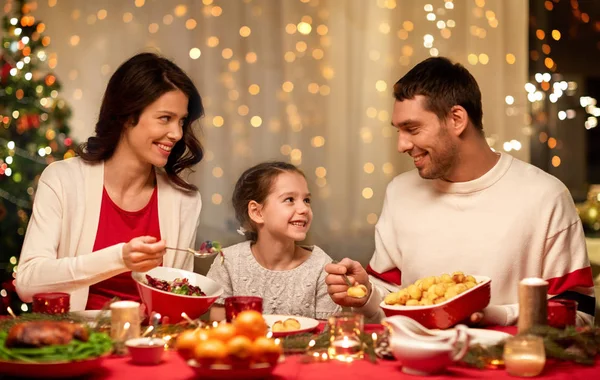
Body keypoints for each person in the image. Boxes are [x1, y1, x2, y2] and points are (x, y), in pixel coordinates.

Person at [325, 57, 595, 326]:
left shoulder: (545, 196)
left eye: (412, 129)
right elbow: (392, 300)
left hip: (508, 363)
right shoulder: (399, 193)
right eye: (399, 130)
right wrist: (367, 294)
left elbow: (578, 311)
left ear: (456, 119)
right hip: (417, 364)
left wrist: (495, 315)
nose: (402, 145)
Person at [16, 52, 204, 311]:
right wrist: (119, 258)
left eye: (181, 121)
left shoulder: (185, 200)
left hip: (147, 344)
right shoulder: (62, 180)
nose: (177, 133)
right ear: (128, 116)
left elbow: (177, 301)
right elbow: (27, 283)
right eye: (165, 118)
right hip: (74, 341)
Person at [207, 161, 341, 320]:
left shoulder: (322, 267)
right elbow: (218, 332)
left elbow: (325, 337)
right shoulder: (227, 263)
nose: (304, 209)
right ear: (257, 212)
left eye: (306, 200)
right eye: (290, 199)